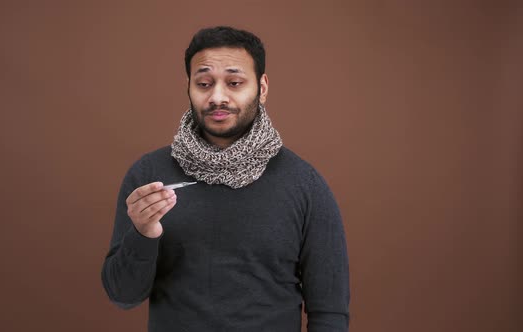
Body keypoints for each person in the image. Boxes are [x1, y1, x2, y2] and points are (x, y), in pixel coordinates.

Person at [101, 26, 350, 332]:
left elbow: (330, 313)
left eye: (234, 83)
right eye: (204, 83)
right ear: (188, 87)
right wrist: (142, 233)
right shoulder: (150, 177)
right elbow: (122, 296)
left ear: (262, 87)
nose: (217, 97)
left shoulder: (305, 185)